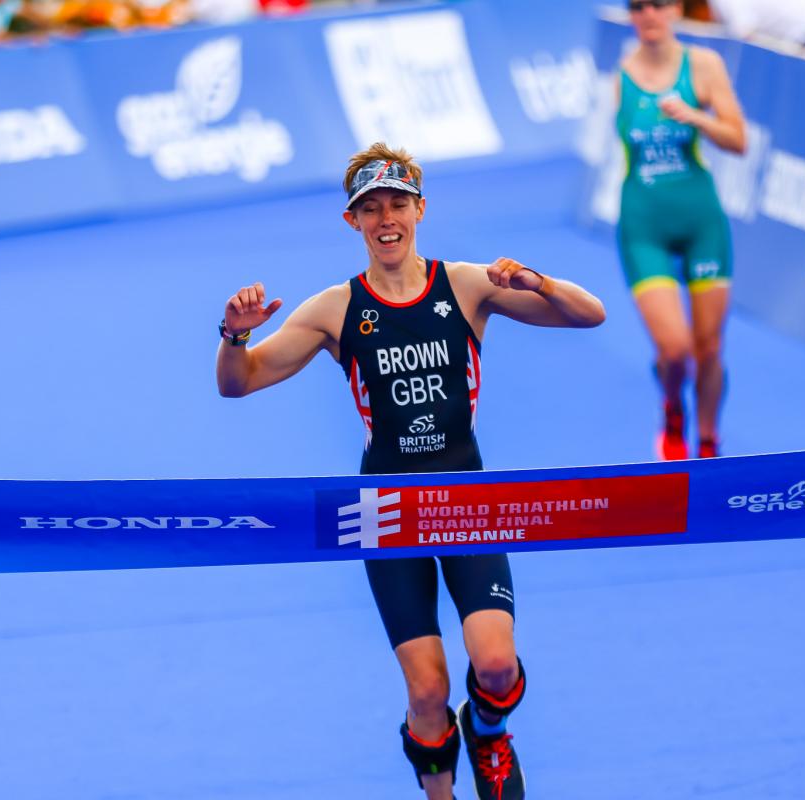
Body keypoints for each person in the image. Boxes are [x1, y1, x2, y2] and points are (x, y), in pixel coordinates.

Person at [216, 143, 605, 800]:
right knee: (427, 690)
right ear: (353, 222)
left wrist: (537, 283)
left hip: (466, 499)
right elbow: (239, 384)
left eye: (397, 204)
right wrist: (233, 336)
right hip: (389, 511)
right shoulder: (335, 309)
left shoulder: (469, 284)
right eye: (371, 209)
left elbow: (588, 314)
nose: (386, 219)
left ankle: (487, 732)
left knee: (495, 665)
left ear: (420, 210)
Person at [615, 0, 746, 459]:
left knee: (709, 349)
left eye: (658, 4)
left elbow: (739, 140)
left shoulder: (703, 66)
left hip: (701, 224)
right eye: (637, 7)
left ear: (675, 10)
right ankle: (672, 407)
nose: (648, 15)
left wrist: (697, 117)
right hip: (643, 225)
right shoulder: (621, 77)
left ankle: (708, 442)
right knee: (675, 350)